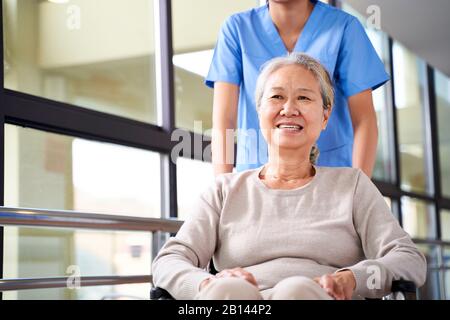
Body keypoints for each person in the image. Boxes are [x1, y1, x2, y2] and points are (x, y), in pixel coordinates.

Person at [152, 53, 426, 300]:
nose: (289, 109)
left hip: (317, 297)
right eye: (276, 97)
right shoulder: (225, 190)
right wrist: (204, 284)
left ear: (325, 116)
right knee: (228, 291)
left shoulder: (352, 185)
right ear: (259, 112)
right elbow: (169, 261)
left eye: (304, 98)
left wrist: (352, 279)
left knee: (296, 291)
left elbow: (409, 259)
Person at [206, 0, 389, 177]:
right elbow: (224, 120)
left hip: (331, 176)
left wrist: (358, 192)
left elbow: (364, 120)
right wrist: (223, 192)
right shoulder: (237, 29)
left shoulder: (344, 28)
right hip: (256, 176)